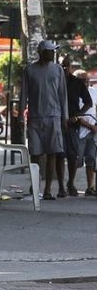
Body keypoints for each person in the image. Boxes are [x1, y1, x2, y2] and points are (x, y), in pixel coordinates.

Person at [19, 40, 68, 201]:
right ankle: (35, 185)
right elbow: (24, 94)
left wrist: (65, 117)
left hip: (54, 117)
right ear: (41, 52)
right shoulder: (30, 70)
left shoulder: (58, 70)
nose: (53, 54)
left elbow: (62, 95)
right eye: (50, 51)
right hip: (35, 117)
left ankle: (47, 190)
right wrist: (21, 115)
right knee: (36, 154)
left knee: (52, 153)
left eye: (53, 51)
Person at [60, 57, 92, 196]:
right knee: (59, 154)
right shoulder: (55, 81)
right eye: (62, 66)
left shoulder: (77, 83)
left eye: (67, 66)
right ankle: (61, 185)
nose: (65, 68)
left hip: (73, 123)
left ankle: (70, 183)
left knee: (72, 155)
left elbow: (88, 102)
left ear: (71, 67)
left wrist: (78, 115)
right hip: (58, 122)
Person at [74, 68, 97, 195]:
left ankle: (90, 187)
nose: (86, 83)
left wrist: (95, 126)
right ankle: (70, 185)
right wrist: (89, 126)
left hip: (92, 132)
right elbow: (75, 115)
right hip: (79, 131)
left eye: (88, 80)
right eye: (83, 80)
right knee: (76, 160)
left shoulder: (93, 92)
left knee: (91, 159)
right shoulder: (74, 93)